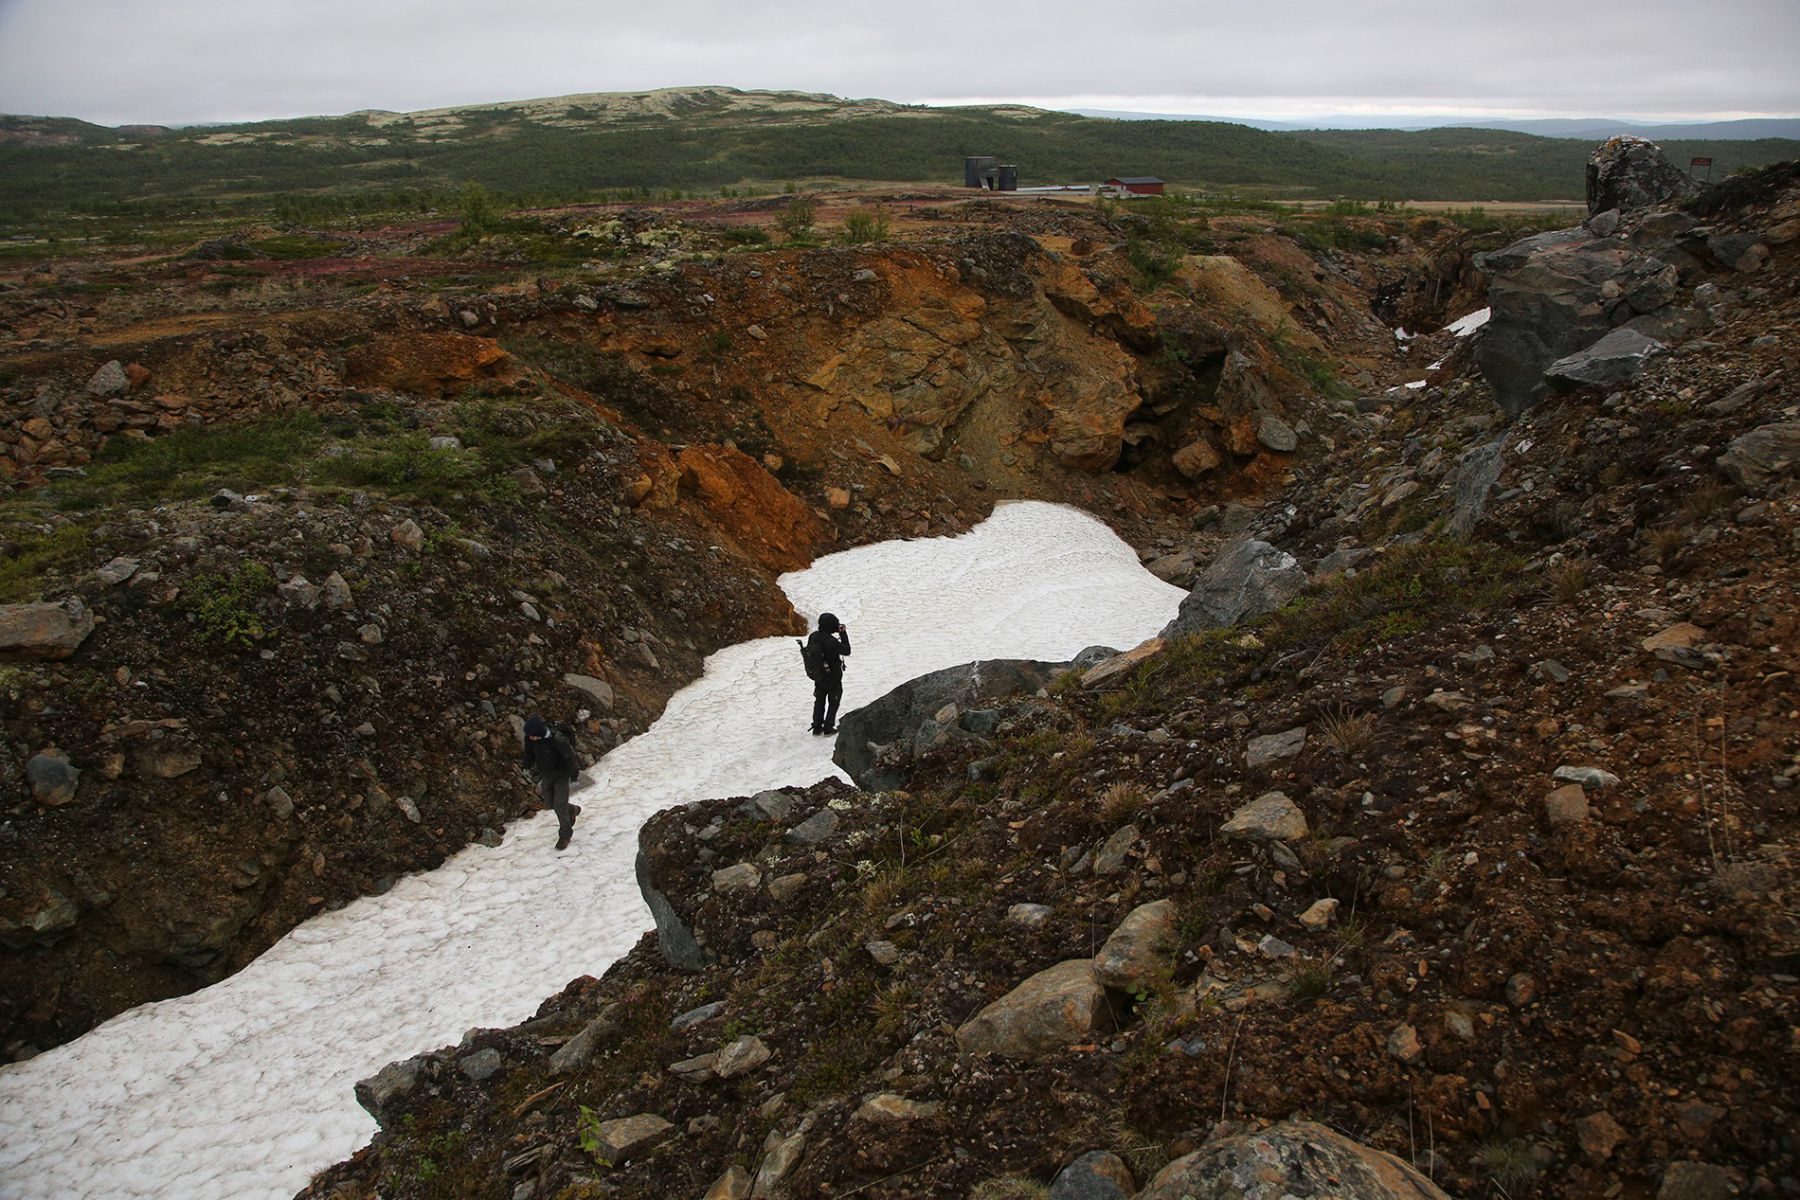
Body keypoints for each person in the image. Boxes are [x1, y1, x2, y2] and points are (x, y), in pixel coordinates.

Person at [521, 715, 582, 850]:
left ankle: (565, 835)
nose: (530, 738)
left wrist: (574, 775)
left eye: (532, 735)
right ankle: (571, 809)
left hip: (562, 774)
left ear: (539, 733)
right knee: (549, 803)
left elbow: (569, 757)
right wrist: (526, 766)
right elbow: (529, 753)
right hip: (547, 773)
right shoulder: (530, 738)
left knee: (559, 805)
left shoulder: (558, 739)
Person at [807, 612, 852, 735]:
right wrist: (843, 634)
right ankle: (828, 727)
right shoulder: (831, 641)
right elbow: (847, 650)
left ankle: (816, 727)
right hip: (833, 677)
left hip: (818, 674)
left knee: (819, 700)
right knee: (833, 702)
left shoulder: (813, 636)